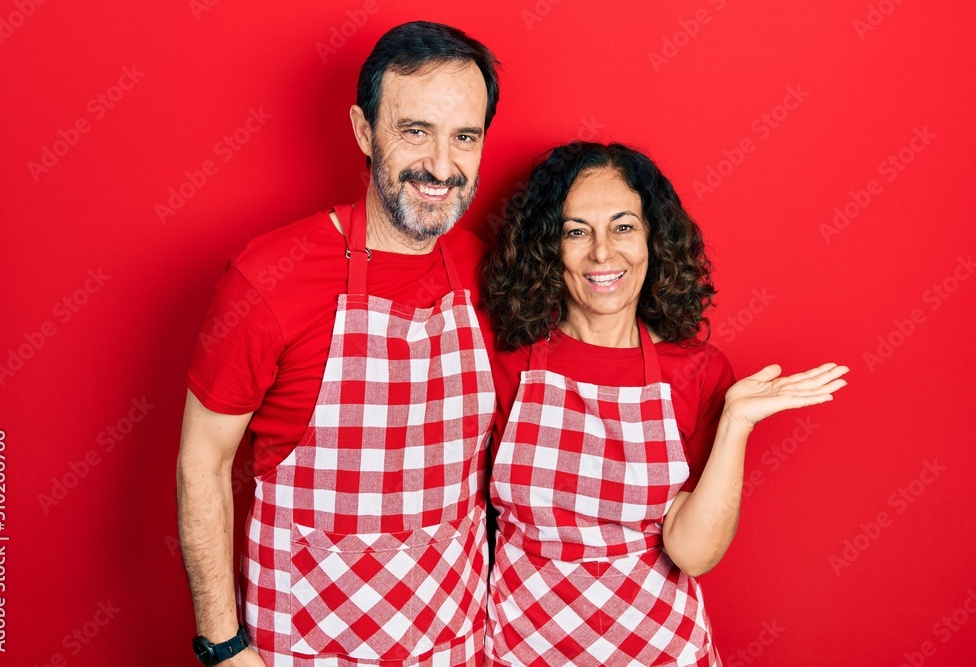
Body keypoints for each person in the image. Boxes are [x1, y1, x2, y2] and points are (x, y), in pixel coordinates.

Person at [176, 22, 501, 666]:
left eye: (464, 137)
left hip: (453, 644)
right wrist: (223, 646)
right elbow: (201, 467)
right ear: (362, 130)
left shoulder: (487, 273)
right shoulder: (267, 278)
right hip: (304, 647)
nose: (442, 166)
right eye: (415, 131)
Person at [481, 142, 848, 666]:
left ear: (654, 237)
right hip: (523, 649)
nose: (602, 253)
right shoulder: (506, 362)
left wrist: (735, 424)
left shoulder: (697, 371)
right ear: (547, 246)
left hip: (659, 648)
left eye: (623, 226)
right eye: (576, 231)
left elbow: (692, 554)